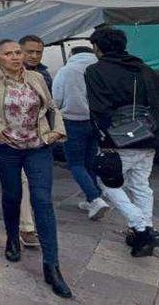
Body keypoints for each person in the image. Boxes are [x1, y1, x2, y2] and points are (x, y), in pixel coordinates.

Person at [0, 39, 72, 298]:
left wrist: (58, 131)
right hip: (6, 149)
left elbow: (52, 107)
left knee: (42, 201)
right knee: (12, 195)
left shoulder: (36, 78)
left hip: (39, 146)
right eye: (8, 53)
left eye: (18, 52)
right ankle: (12, 237)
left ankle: (51, 265)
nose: (15, 57)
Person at [85, 27, 159, 257]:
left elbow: (99, 109)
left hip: (119, 139)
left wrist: (104, 136)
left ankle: (141, 228)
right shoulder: (145, 69)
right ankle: (144, 235)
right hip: (149, 137)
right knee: (141, 185)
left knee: (107, 184)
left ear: (97, 47)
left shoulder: (96, 70)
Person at [52, 46, 110, 220]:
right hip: (96, 122)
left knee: (76, 164)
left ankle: (95, 198)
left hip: (72, 121)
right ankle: (92, 197)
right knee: (90, 161)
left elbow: (56, 98)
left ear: (72, 55)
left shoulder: (66, 70)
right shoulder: (100, 69)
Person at [15, 35, 50, 248]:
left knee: (36, 183)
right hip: (11, 139)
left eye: (38, 52)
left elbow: (51, 105)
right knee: (22, 182)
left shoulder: (44, 75)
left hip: (38, 138)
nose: (34, 56)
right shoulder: (2, 76)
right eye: (30, 52)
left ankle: (31, 224)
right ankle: (27, 227)